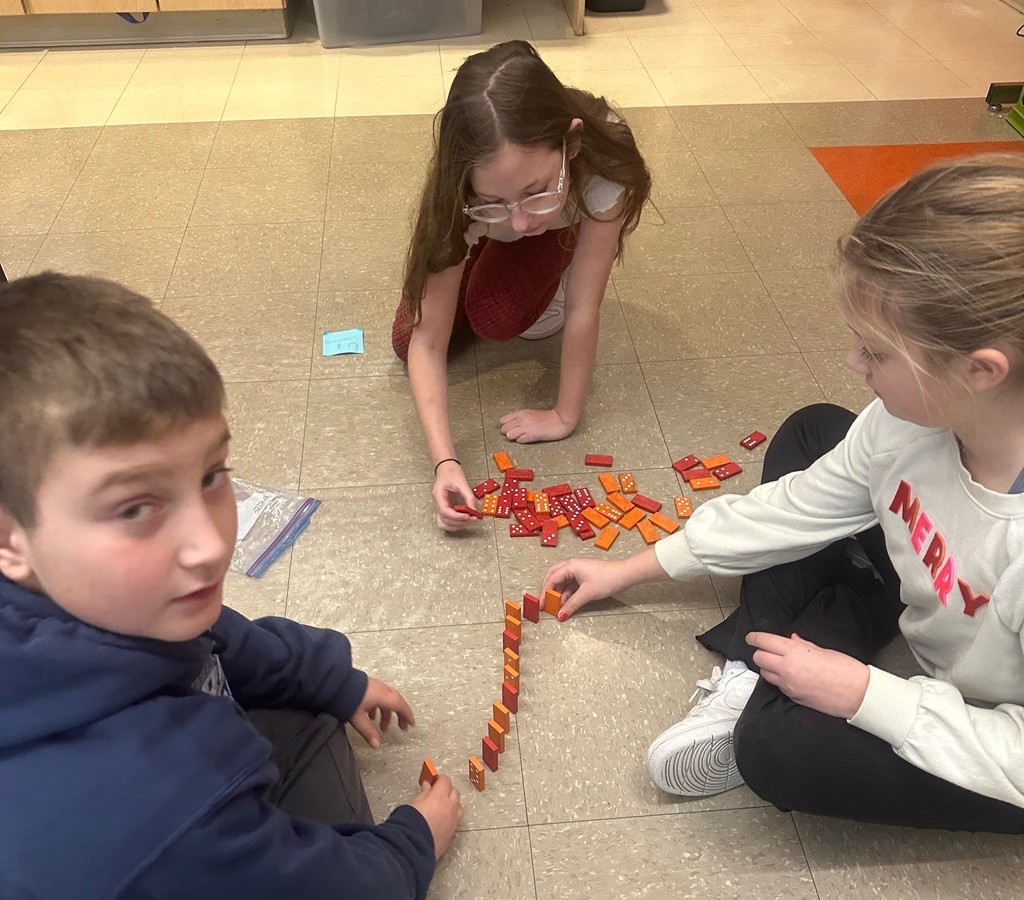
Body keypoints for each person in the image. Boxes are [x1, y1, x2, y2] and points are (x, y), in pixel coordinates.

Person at [543, 155, 1024, 833]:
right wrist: (628, 569)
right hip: (942, 603)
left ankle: (788, 666)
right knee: (814, 429)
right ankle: (775, 661)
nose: (854, 363)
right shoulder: (905, 425)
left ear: (981, 370)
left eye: (876, 353)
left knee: (778, 751)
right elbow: (795, 509)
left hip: (997, 732)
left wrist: (866, 694)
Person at [0, 273, 463, 899]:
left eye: (212, 474)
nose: (212, 545)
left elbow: (210, 635)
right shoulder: (169, 804)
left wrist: (331, 677)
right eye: (134, 508)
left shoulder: (108, 597)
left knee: (312, 716)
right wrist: (412, 840)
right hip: (165, 833)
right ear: (10, 539)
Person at [392, 40, 651, 532]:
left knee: (497, 316)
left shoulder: (603, 169)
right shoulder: (459, 192)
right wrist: (445, 462)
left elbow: (584, 308)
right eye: (493, 198)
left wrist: (564, 415)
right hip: (476, 221)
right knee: (405, 343)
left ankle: (549, 262)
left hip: (561, 225)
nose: (519, 220)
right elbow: (427, 343)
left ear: (571, 146)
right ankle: (488, 235)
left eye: (535, 191)